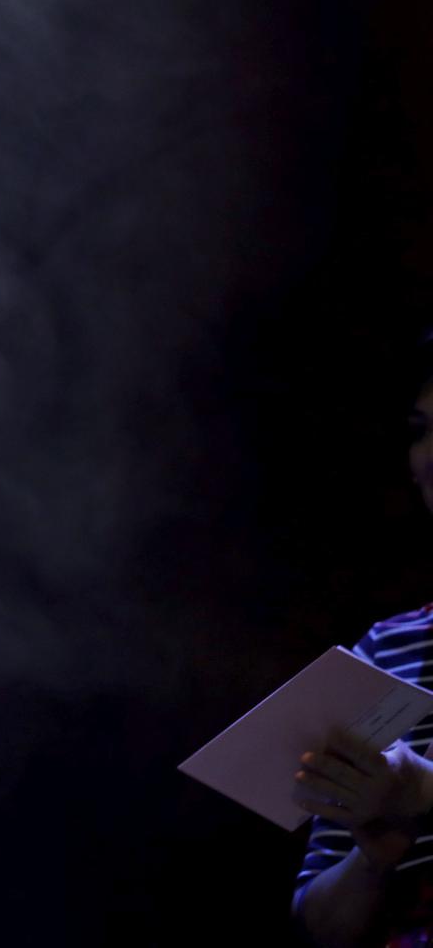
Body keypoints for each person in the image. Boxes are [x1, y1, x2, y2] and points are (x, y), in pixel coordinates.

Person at [290, 332, 433, 948]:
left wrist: (420, 789)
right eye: (422, 430)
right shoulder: (384, 649)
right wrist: (373, 861)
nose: (427, 456)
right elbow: (318, 921)